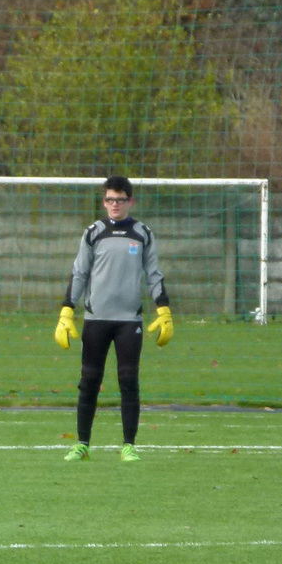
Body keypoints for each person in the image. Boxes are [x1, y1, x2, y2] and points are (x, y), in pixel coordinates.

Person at [56, 176, 173, 463]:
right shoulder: (93, 232)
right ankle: (82, 444)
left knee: (129, 380)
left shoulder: (143, 233)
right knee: (89, 380)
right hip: (96, 319)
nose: (115, 205)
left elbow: (154, 274)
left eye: (120, 200)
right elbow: (79, 273)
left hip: (128, 321)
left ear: (130, 201)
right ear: (104, 201)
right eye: (110, 199)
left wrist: (164, 310)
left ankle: (128, 446)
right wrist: (67, 310)